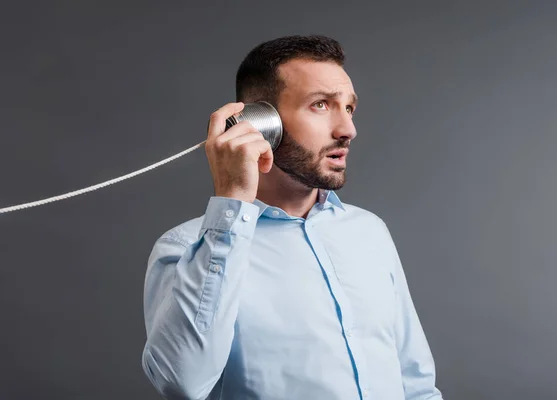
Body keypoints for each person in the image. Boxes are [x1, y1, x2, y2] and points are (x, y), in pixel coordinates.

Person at [141, 34, 443, 400]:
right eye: (321, 105)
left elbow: (417, 383)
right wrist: (232, 199)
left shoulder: (369, 232)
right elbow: (183, 382)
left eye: (349, 108)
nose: (348, 130)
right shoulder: (187, 248)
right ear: (257, 122)